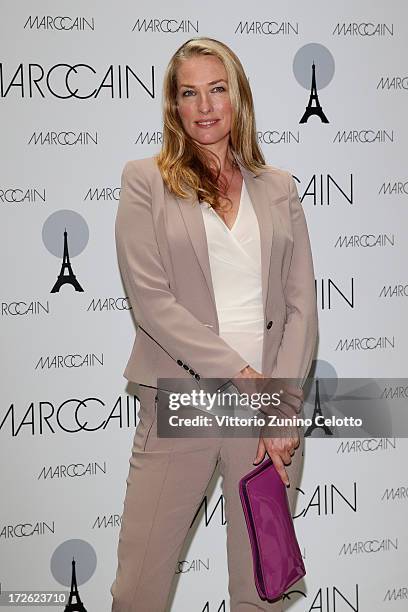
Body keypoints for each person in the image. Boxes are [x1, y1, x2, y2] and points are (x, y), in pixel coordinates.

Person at [110, 37, 318, 612]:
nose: (204, 106)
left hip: (267, 414)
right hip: (184, 402)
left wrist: (279, 402)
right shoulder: (145, 182)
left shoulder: (279, 188)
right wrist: (246, 376)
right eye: (188, 93)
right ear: (173, 107)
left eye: (217, 89)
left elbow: (302, 305)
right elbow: (152, 303)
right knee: (138, 591)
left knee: (262, 592)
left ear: (238, 98)